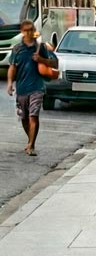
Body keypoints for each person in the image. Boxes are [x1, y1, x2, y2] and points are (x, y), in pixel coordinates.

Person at [5, 20, 58, 156]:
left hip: (36, 88)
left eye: (31, 29)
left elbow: (55, 63)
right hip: (22, 89)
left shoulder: (40, 47)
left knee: (33, 116)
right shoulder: (17, 49)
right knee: (24, 118)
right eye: (26, 30)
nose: (29, 32)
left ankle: (31, 145)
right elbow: (12, 67)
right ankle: (30, 140)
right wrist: (10, 83)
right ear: (22, 32)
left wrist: (41, 60)